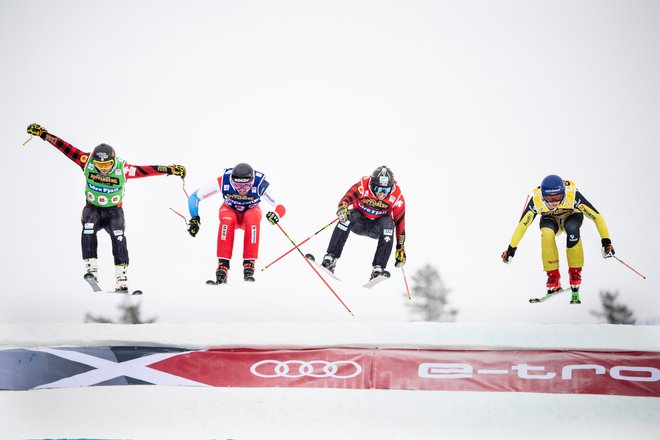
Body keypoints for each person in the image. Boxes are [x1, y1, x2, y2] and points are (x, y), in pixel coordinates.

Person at [26, 123, 187, 292]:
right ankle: (92, 269)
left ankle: (121, 277)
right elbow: (66, 148)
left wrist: (170, 169)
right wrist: (44, 134)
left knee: (118, 236)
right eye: (99, 166)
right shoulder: (86, 161)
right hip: (93, 209)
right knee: (88, 228)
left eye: (107, 165)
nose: (103, 169)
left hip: (113, 212)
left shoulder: (122, 169)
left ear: (113, 161)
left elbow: (145, 170)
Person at [501, 174, 615, 295]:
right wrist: (511, 249)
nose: (554, 202)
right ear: (543, 196)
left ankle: (575, 272)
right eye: (550, 199)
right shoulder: (536, 200)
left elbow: (596, 217)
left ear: (563, 192)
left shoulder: (573, 196)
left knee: (572, 228)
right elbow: (522, 225)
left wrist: (606, 242)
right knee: (546, 233)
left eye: (558, 197)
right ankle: (553, 275)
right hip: (551, 220)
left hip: (571, 217)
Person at [187, 162, 286, 284]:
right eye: (237, 185)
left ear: (252, 181)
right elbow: (194, 197)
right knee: (227, 219)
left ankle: (249, 265)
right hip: (229, 210)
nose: (241, 190)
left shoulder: (260, 183)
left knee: (252, 218)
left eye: (247, 186)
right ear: (231, 181)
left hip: (250, 212)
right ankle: (222, 266)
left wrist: (276, 215)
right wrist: (195, 218)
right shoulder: (224, 181)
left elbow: (280, 206)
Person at [321, 165, 406, 280]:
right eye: (379, 189)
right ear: (372, 184)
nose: (382, 194)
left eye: (386, 190)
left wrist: (400, 248)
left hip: (378, 228)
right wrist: (343, 208)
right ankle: (331, 257)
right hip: (359, 223)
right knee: (350, 214)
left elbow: (400, 223)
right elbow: (346, 199)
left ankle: (378, 268)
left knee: (389, 222)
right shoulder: (363, 185)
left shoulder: (397, 197)